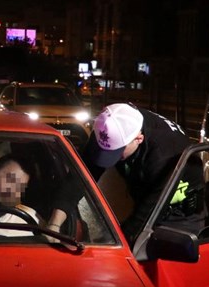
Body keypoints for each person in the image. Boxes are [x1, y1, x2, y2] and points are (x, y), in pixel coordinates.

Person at [79, 102, 199, 242]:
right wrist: (56, 221)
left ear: (138, 139)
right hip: (147, 198)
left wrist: (118, 242)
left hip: (180, 216)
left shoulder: (164, 153)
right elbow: (83, 176)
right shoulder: (107, 128)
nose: (115, 158)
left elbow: (148, 210)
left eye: (117, 152)